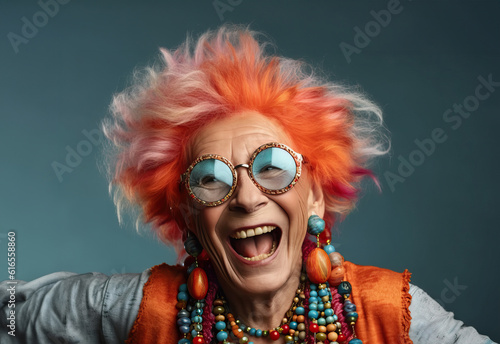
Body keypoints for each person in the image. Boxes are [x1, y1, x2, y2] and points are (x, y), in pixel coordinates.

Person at [0, 25, 496, 344]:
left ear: (316, 192)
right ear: (187, 215)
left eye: (273, 167)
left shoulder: (393, 313)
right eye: (210, 179)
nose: (246, 196)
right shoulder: (137, 311)